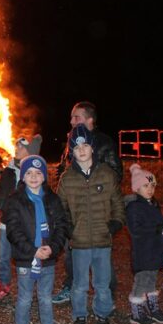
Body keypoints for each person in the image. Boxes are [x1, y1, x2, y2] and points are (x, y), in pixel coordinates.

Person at [56, 124, 125, 324]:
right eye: (77, 147)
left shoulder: (106, 174)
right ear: (72, 152)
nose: (82, 150)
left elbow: (118, 203)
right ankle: (79, 317)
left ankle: (102, 317)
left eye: (85, 144)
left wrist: (115, 224)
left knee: (103, 283)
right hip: (80, 243)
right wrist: (68, 230)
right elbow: (61, 209)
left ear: (92, 148)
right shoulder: (67, 179)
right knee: (79, 285)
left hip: (103, 241)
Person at [53, 101, 123, 305]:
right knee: (71, 253)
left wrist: (97, 192)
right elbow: (64, 171)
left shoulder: (104, 142)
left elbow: (115, 174)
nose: (72, 121)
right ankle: (71, 287)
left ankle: (107, 296)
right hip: (75, 211)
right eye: (71, 117)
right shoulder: (71, 141)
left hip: (98, 211)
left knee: (102, 257)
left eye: (77, 117)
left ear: (90, 120)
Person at [3, 155, 69, 324]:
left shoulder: (52, 198)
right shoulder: (15, 200)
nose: (34, 176)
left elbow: (61, 225)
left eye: (38, 173)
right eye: (29, 173)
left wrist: (53, 248)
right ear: (22, 176)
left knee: (45, 298)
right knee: (24, 298)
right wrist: (33, 251)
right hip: (26, 258)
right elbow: (13, 231)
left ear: (44, 177)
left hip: (47, 258)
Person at [0, 134, 42, 301]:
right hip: (6, 223)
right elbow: (2, 192)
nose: (16, 149)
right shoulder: (9, 170)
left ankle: (27, 287)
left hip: (25, 224)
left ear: (30, 152)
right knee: (3, 257)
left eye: (21, 147)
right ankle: (4, 285)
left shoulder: (35, 173)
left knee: (26, 256)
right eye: (17, 146)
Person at [125, 164, 163, 324]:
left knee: (152, 278)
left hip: (156, 249)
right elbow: (136, 230)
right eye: (146, 185)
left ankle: (152, 307)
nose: (150, 189)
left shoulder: (153, 204)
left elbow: (158, 223)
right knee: (141, 280)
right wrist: (157, 229)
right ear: (137, 187)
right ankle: (136, 311)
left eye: (152, 185)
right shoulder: (133, 207)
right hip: (143, 251)